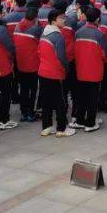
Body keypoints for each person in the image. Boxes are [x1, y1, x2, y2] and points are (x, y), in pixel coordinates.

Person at [38, 9, 75, 137]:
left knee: (46, 100)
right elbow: (62, 57)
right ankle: (61, 128)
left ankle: (46, 127)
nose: (64, 20)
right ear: (54, 21)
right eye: (61, 18)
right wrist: (66, 67)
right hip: (55, 73)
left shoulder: (44, 33)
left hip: (43, 71)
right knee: (60, 101)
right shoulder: (58, 36)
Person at [71, 6, 107, 132]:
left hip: (80, 68)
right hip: (95, 70)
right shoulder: (100, 35)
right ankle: (91, 123)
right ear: (97, 19)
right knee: (93, 97)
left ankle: (80, 120)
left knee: (81, 95)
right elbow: (104, 53)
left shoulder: (78, 32)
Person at [12, 6, 42, 123]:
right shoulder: (37, 29)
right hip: (33, 64)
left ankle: (23, 113)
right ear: (35, 18)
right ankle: (30, 113)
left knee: (24, 88)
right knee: (33, 90)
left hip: (21, 62)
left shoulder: (18, 26)